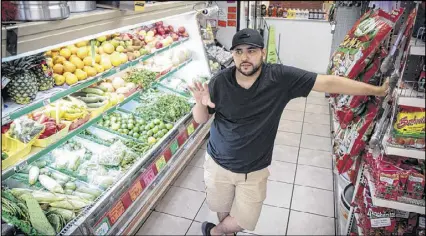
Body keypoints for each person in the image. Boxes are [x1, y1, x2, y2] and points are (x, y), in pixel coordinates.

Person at [188, 28, 389, 236]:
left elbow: (327, 82)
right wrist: (200, 104)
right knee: (223, 207)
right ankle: (224, 232)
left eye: (251, 50)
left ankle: (214, 233)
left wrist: (376, 90)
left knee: (242, 220)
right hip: (217, 163)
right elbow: (200, 118)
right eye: (238, 51)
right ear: (232, 54)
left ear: (263, 53)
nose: (244, 57)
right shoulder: (220, 81)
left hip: (253, 170)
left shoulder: (279, 78)